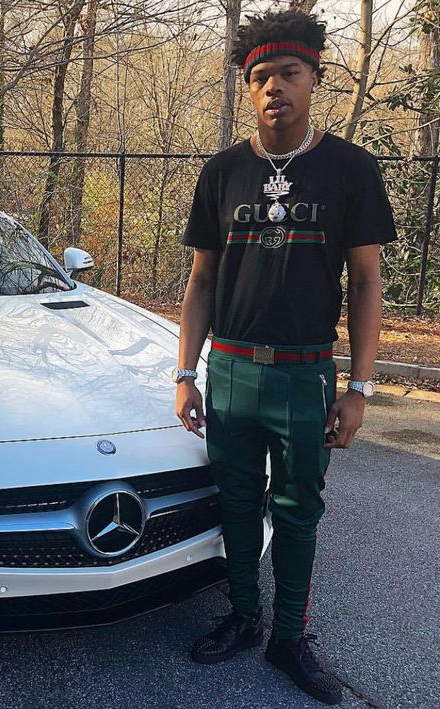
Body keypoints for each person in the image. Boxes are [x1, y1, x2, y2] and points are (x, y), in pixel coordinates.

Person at [172, 9, 396, 706]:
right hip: (231, 369)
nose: (274, 87)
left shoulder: (349, 169)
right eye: (260, 76)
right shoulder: (223, 172)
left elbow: (365, 281)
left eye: (288, 74)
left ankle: (288, 637)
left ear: (313, 79)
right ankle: (242, 615)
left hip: (304, 372)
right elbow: (201, 280)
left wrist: (357, 386)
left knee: (297, 509)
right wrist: (185, 373)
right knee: (236, 503)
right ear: (247, 87)